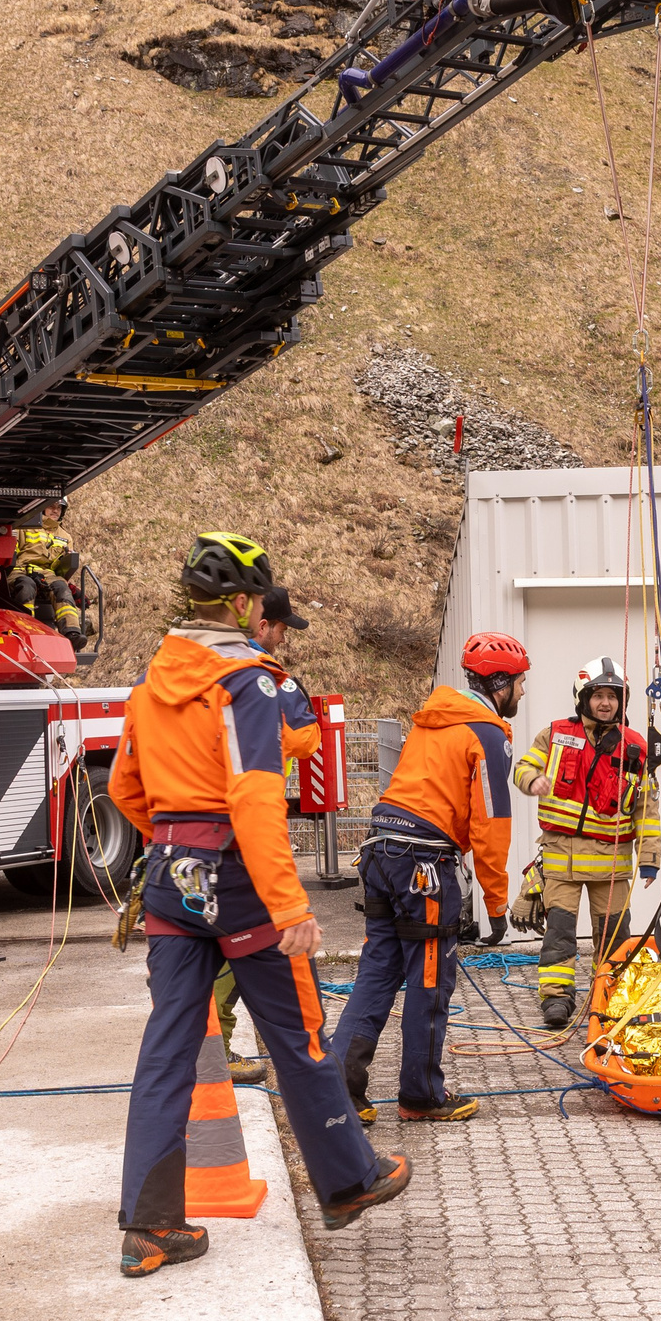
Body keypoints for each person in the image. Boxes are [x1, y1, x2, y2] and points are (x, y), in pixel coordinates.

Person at [109, 532, 409, 1277]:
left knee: (168, 1046)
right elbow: (252, 796)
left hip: (170, 874)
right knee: (295, 1025)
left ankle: (150, 1228)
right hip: (239, 877)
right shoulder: (249, 681)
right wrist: (287, 905)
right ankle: (347, 1179)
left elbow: (125, 788)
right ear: (242, 603)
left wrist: (175, 848)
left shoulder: (153, 682)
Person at [331, 632, 523, 1125]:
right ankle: (420, 1096)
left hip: (379, 850)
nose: (522, 694)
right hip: (424, 867)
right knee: (430, 981)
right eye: (519, 684)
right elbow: (492, 823)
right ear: (499, 683)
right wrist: (497, 907)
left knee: (377, 971)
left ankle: (339, 1091)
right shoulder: (487, 733)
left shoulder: (436, 719)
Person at [510, 656, 661, 1031]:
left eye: (613, 696)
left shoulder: (635, 748)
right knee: (559, 933)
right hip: (561, 859)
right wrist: (533, 781)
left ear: (622, 701)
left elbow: (645, 807)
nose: (606, 703)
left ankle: (610, 994)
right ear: (583, 698)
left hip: (610, 867)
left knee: (614, 935)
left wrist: (650, 858)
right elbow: (523, 768)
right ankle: (557, 999)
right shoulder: (554, 734)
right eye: (598, 695)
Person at [216, 585, 319, 1087]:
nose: (283, 638)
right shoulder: (271, 681)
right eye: (281, 628)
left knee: (213, 940)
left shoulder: (200, 667)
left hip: (200, 829)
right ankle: (218, 1042)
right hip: (254, 824)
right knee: (252, 940)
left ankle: (204, 1042)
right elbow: (305, 741)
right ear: (263, 627)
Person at [5, 497, 85, 646]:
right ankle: (25, 630)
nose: (55, 510)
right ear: (42, 507)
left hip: (48, 574)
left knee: (62, 589)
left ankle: (72, 633)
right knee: (26, 587)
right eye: (51, 506)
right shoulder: (24, 527)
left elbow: (61, 567)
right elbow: (12, 553)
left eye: (59, 507)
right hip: (21, 570)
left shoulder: (66, 537)